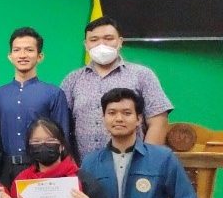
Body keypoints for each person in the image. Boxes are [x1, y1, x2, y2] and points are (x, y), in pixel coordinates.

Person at [61, 17, 173, 159]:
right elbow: (61, 125)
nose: (101, 44)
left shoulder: (142, 75)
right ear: (86, 44)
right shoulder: (72, 79)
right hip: (84, 166)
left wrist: (146, 162)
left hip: (133, 165)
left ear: (120, 42)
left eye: (108, 38)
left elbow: (158, 121)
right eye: (94, 40)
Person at [0, 27, 72, 184]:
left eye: (29, 50)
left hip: (41, 169)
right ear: (10, 56)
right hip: (3, 170)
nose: (22, 55)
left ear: (40, 56)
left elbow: (63, 138)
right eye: (17, 50)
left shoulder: (54, 94)